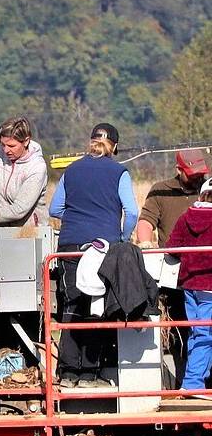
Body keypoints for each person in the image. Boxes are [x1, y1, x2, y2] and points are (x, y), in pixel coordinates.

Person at [48, 122, 139, 388]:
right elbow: (132, 212)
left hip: (70, 246)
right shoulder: (119, 172)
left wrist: (78, 217)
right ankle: (90, 374)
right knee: (97, 306)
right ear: (115, 146)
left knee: (71, 305)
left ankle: (67, 374)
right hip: (102, 247)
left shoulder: (72, 170)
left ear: (91, 142)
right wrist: (122, 237)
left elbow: (55, 209)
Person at [137, 149, 209, 386]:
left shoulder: (206, 191)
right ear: (179, 170)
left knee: (201, 332)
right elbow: (146, 222)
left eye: (200, 173)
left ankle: (196, 382)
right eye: (192, 173)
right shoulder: (161, 191)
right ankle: (187, 382)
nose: (197, 177)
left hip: (198, 278)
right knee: (185, 333)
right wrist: (145, 243)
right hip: (174, 277)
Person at [165, 178, 212, 397]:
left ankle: (193, 381)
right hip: (209, 285)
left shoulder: (186, 216)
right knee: (205, 334)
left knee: (196, 332)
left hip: (189, 285)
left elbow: (172, 248)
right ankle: (194, 383)